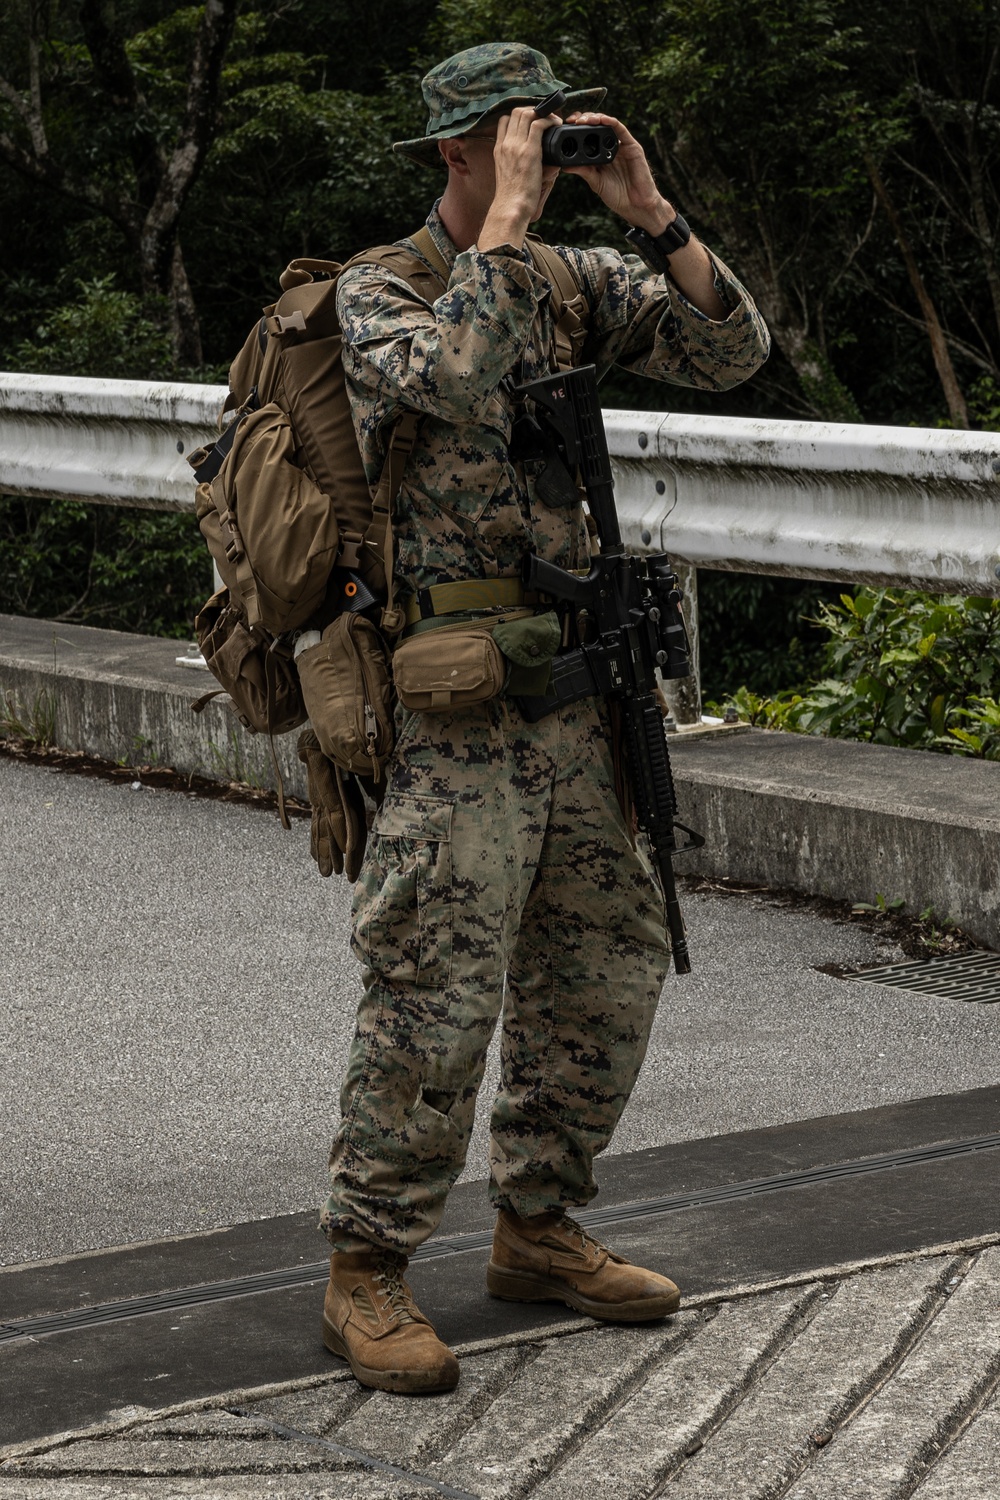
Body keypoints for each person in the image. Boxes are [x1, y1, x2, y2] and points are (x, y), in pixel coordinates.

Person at [319, 41, 770, 1395]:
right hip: (454, 709)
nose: (542, 159)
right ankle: (366, 1268)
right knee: (434, 997)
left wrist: (652, 212)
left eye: (550, 134)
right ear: (457, 152)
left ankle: (538, 1225)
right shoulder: (381, 290)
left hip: (575, 692)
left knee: (608, 967)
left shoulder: (578, 280)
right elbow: (455, 375)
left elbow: (735, 350)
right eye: (519, 138)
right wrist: (508, 225)